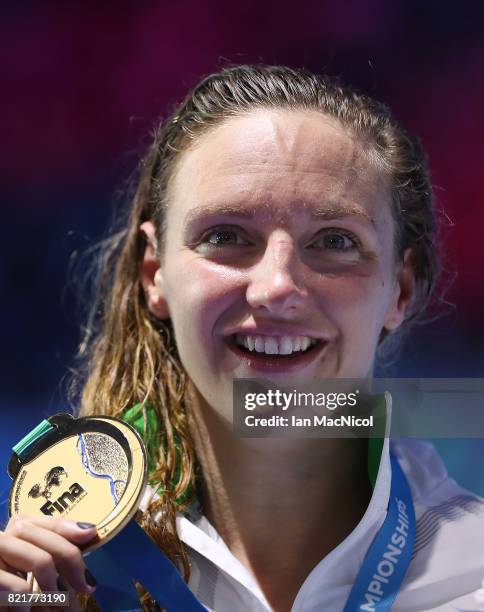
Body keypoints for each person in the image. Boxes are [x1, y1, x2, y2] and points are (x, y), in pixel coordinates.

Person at [1, 65, 483, 612]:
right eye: (226, 236)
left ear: (400, 288)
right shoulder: (50, 578)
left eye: (333, 240)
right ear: (154, 273)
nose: (276, 288)